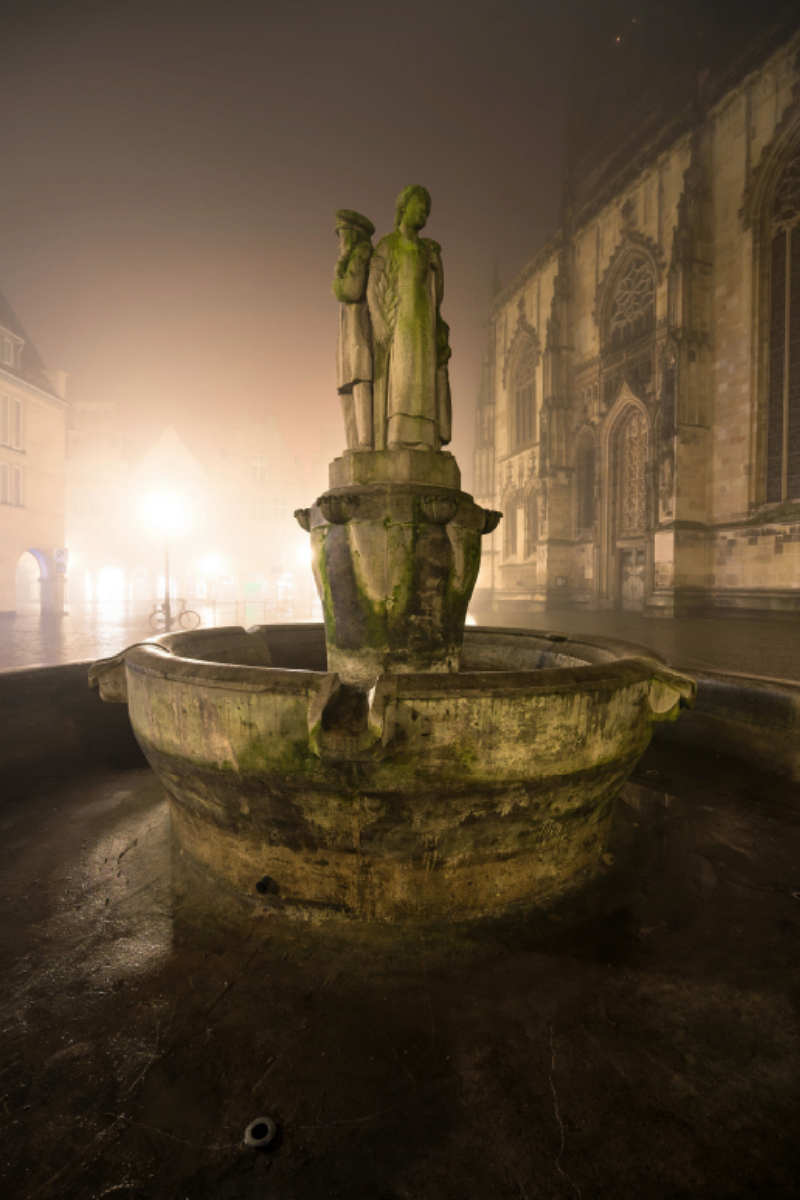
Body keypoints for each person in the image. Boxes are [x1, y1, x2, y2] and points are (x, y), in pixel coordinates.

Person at [367, 185, 451, 451]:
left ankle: (424, 437)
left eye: (428, 207)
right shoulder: (388, 244)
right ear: (403, 208)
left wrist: (438, 268)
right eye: (420, 204)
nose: (424, 210)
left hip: (424, 319)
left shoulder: (426, 250)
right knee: (403, 377)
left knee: (423, 380)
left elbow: (437, 298)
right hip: (400, 317)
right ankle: (398, 436)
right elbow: (371, 288)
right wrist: (380, 321)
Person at [332, 209, 375, 450]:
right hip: (349, 332)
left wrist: (339, 271)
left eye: (341, 236)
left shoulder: (361, 254)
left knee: (360, 380)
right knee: (347, 386)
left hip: (360, 328)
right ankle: (353, 443)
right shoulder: (353, 257)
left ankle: (365, 441)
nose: (339, 244)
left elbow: (351, 290)